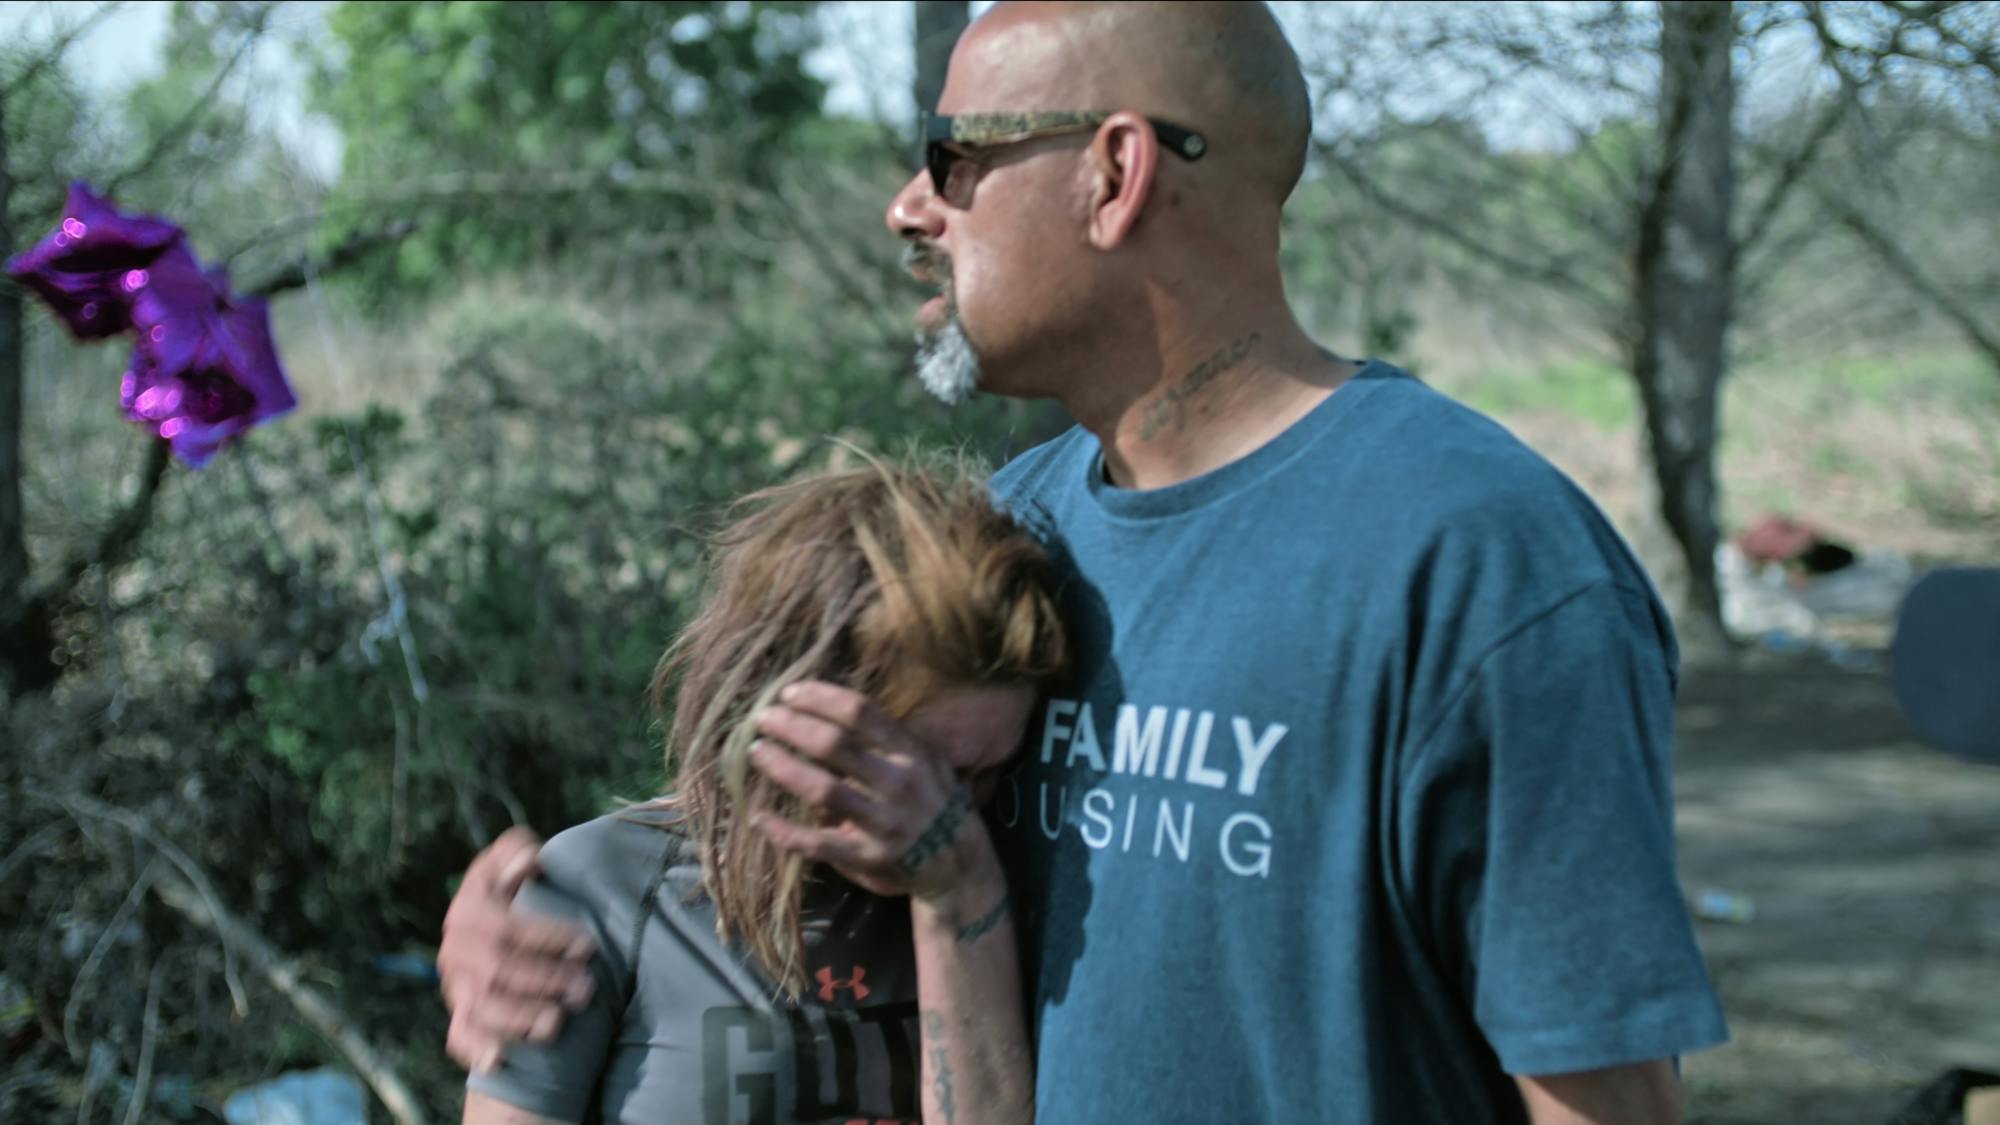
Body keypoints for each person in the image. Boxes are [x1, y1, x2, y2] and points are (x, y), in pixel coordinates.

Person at [439, 3, 1730, 1122]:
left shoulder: (1479, 564)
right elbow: (821, 806)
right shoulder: (1019, 531)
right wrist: (535, 918)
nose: (908, 206)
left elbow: (1607, 1097)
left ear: (1115, 174)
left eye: (954, 160)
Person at [459, 457, 1067, 1125]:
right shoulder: (602, 889)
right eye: (921, 771)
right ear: (785, 715)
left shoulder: (1001, 882)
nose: (953, 813)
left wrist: (960, 897)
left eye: (988, 774)